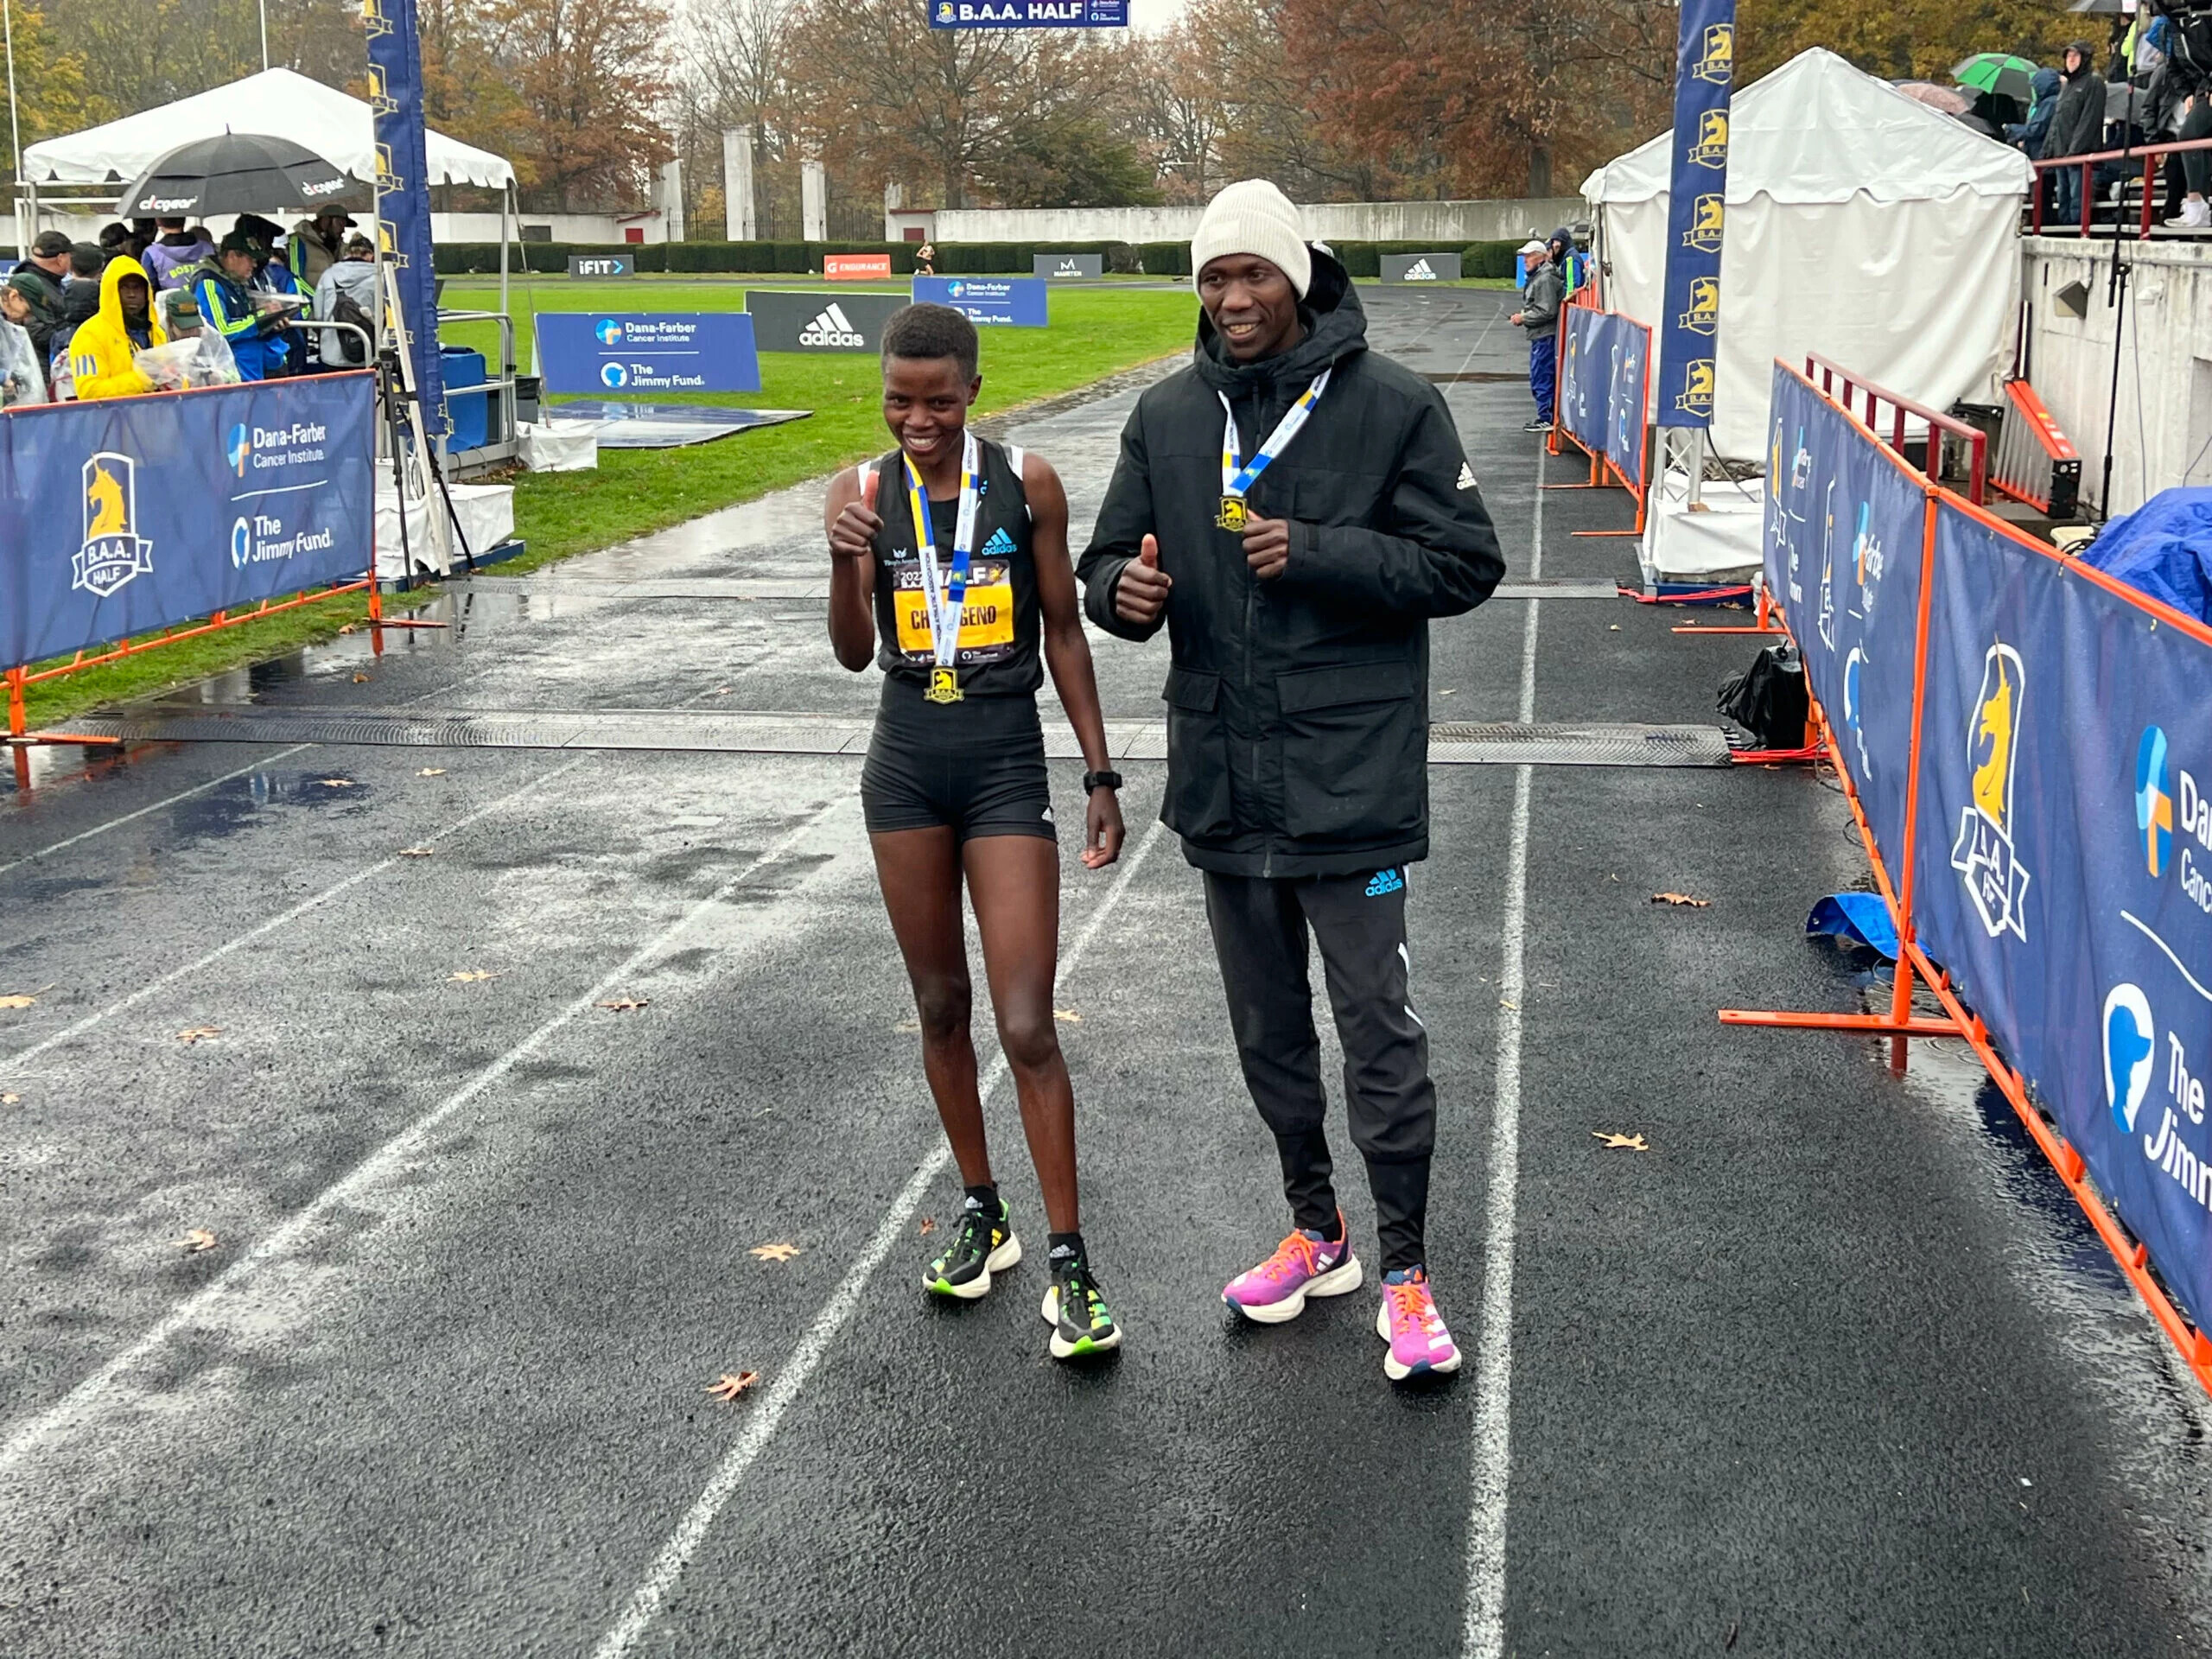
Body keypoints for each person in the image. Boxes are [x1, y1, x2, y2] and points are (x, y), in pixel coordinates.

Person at [1075, 179, 1505, 1383]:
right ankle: (1319, 1234)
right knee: (1268, 1035)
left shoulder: (1394, 404)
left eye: (1254, 273)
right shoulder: (1169, 415)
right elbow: (1104, 559)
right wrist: (1121, 594)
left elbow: (1467, 564)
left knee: (1377, 1036)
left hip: (1349, 782)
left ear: (1299, 277)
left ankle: (1408, 1273)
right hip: (1224, 781)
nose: (1233, 298)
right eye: (1214, 277)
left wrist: (1319, 553)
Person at [822, 301, 1129, 1362]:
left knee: (1027, 1021)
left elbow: (1063, 632)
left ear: (973, 395)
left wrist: (1099, 772)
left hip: (1003, 764)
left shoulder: (1026, 482)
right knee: (939, 1004)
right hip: (904, 768)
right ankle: (982, 1208)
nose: (918, 422)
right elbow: (852, 653)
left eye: (939, 404)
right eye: (899, 403)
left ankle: (1071, 1260)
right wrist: (843, 562)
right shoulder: (860, 494)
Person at [69, 254, 167, 401]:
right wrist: (142, 379)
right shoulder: (89, 335)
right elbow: (89, 391)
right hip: (113, 415)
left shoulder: (157, 333)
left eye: (137, 287)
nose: (131, 294)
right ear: (110, 291)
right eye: (123, 288)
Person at [191, 232, 286, 382]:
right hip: (233, 379)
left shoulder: (235, 281)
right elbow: (220, 330)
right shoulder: (208, 282)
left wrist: (271, 325)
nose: (254, 265)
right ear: (232, 256)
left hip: (252, 374)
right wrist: (261, 319)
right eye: (250, 259)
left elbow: (244, 321)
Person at [2049, 41, 2108, 226]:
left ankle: (2076, 229)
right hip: (2061, 154)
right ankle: (2065, 228)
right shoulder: (2066, 87)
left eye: (2075, 55)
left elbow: (2089, 120)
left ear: (2085, 58)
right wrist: (2050, 151)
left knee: (2078, 199)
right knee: (2063, 197)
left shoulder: (2094, 82)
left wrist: (2075, 151)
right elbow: (2057, 122)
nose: (2071, 59)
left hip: (2080, 156)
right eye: (2068, 56)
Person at [1511, 236, 1562, 433]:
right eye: (1525, 257)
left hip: (1545, 335)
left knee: (1542, 376)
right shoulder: (1540, 277)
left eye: (1529, 256)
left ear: (1540, 257)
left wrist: (1524, 318)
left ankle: (1546, 417)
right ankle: (1546, 415)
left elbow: (1547, 311)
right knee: (1540, 375)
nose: (1525, 260)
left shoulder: (1545, 279)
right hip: (1541, 334)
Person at [5, 230, 71, 369]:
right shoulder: (30, 286)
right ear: (60, 259)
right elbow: (38, 332)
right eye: (70, 257)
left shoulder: (51, 282)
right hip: (38, 366)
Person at [312, 233, 378, 366]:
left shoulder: (328, 275)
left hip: (332, 356)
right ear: (371, 255)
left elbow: (318, 315)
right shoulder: (379, 277)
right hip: (367, 355)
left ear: (347, 254)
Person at [0, 284, 47, 407]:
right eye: (26, 309)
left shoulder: (11, 329)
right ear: (14, 297)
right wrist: (3, 377)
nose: (26, 315)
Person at [288, 207, 354, 289]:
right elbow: (295, 278)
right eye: (340, 224)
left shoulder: (337, 246)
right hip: (309, 296)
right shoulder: (298, 241)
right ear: (326, 220)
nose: (343, 230)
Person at [142, 218, 213, 289]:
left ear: (158, 222)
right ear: (184, 220)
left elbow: (150, 287)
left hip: (168, 296)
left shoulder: (151, 253)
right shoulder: (207, 248)